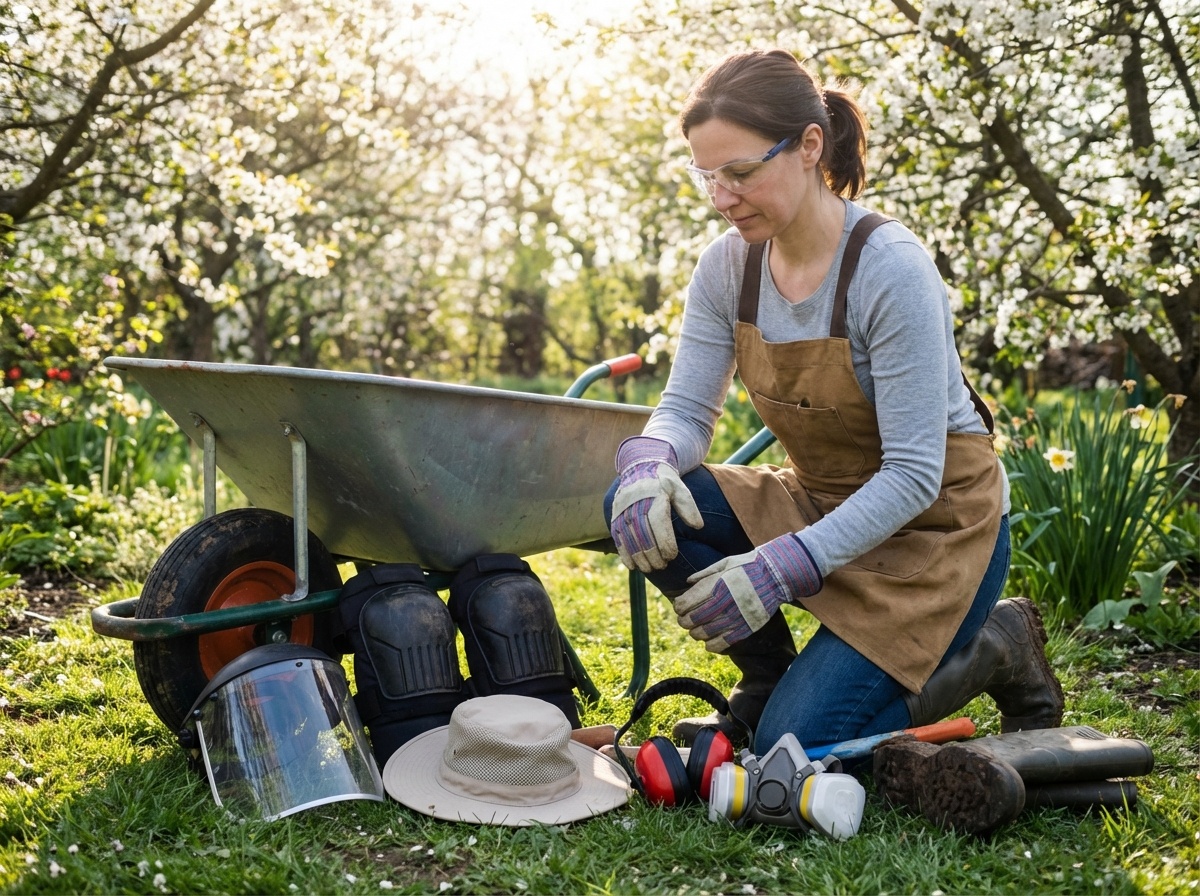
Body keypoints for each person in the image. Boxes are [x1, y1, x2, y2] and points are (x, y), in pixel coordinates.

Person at [603, 48, 1064, 753]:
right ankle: (767, 682)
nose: (722, 197)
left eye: (741, 172)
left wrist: (777, 568)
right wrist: (648, 459)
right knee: (645, 503)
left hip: (936, 534)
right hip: (821, 504)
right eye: (707, 177)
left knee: (801, 748)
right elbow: (689, 412)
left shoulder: (889, 269)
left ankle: (996, 644)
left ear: (810, 146)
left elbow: (913, 474)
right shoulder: (728, 266)